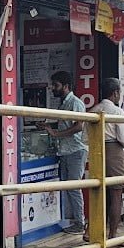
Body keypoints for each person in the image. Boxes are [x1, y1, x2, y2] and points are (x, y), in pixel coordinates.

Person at [42, 71, 88, 234]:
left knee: (74, 186)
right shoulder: (63, 103)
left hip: (75, 150)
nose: (53, 88)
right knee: (69, 186)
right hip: (66, 150)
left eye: (56, 85)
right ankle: (74, 220)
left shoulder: (75, 102)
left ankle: (80, 222)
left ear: (66, 86)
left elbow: (78, 126)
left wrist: (56, 134)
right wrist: (50, 128)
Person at [91, 78, 124, 241]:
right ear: (116, 93)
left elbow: (85, 138)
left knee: (97, 194)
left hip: (96, 151)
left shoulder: (93, 110)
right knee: (116, 195)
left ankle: (91, 231)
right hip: (114, 152)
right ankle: (113, 235)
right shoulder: (117, 112)